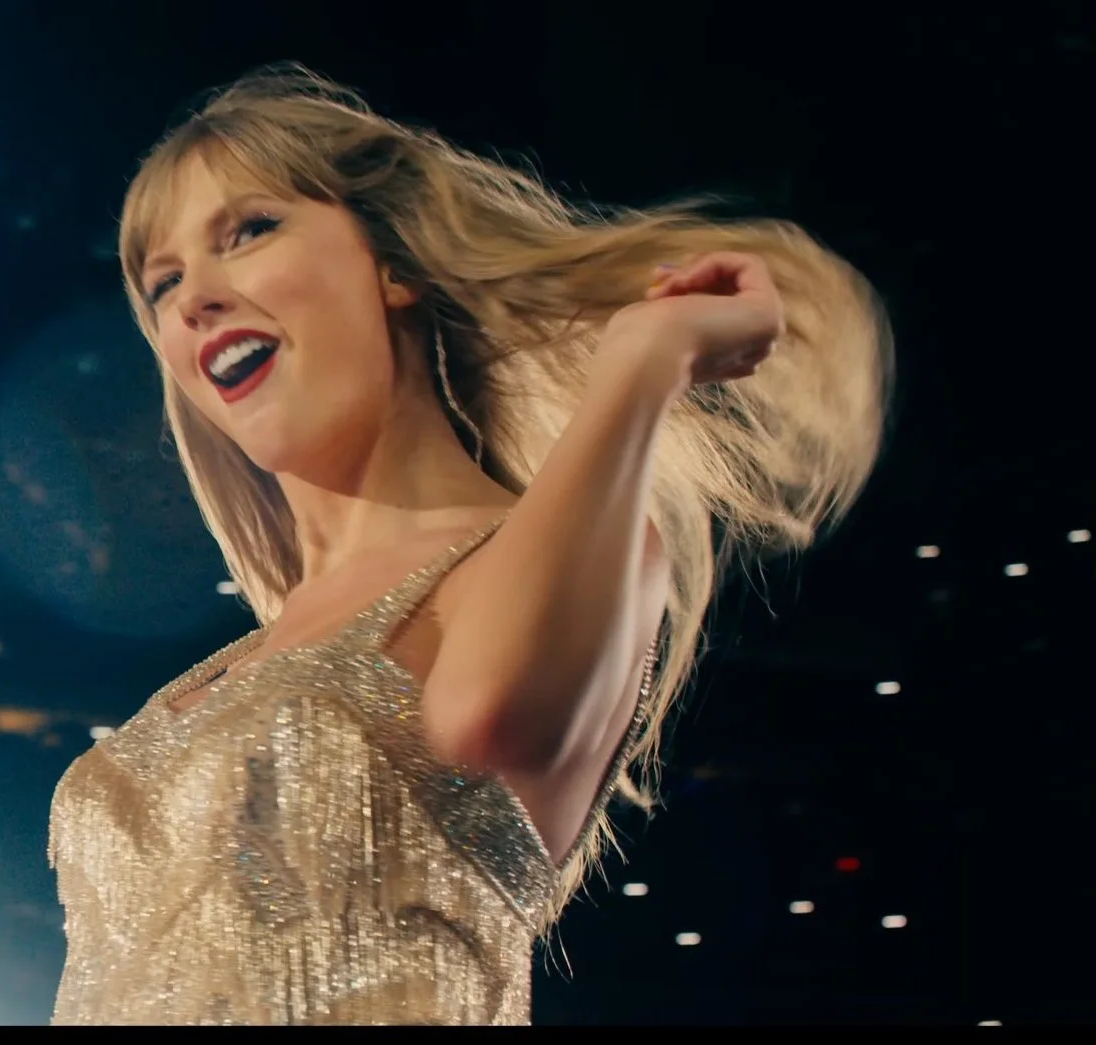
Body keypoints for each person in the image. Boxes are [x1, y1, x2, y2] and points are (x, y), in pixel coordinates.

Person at [46, 64, 891, 1026]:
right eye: (162, 282)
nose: (195, 296)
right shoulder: (219, 675)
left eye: (248, 231)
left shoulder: (556, 557)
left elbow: (486, 712)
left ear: (392, 266)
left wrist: (643, 361)